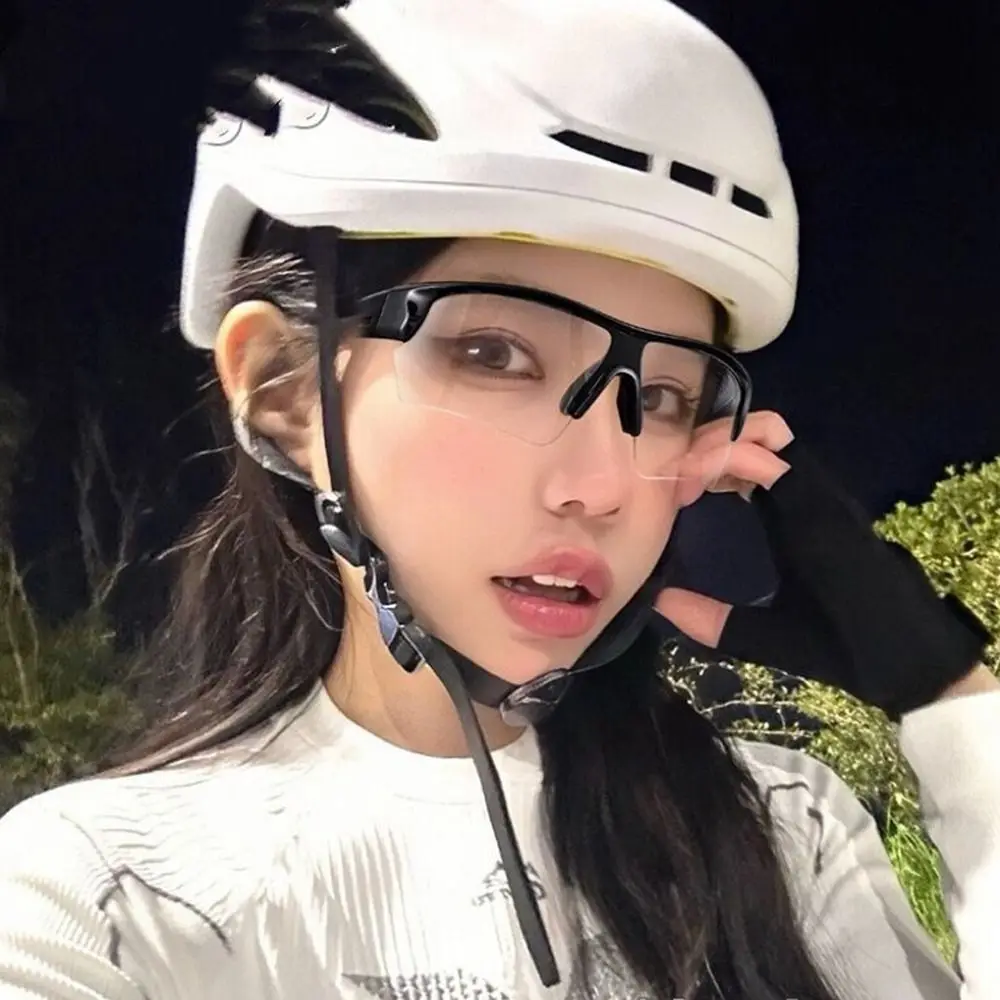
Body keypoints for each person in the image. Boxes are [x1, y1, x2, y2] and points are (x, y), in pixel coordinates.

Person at [0, 1, 997, 997]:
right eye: (493, 354)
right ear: (284, 389)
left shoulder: (783, 833)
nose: (600, 487)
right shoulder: (104, 900)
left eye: (659, 398)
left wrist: (946, 692)